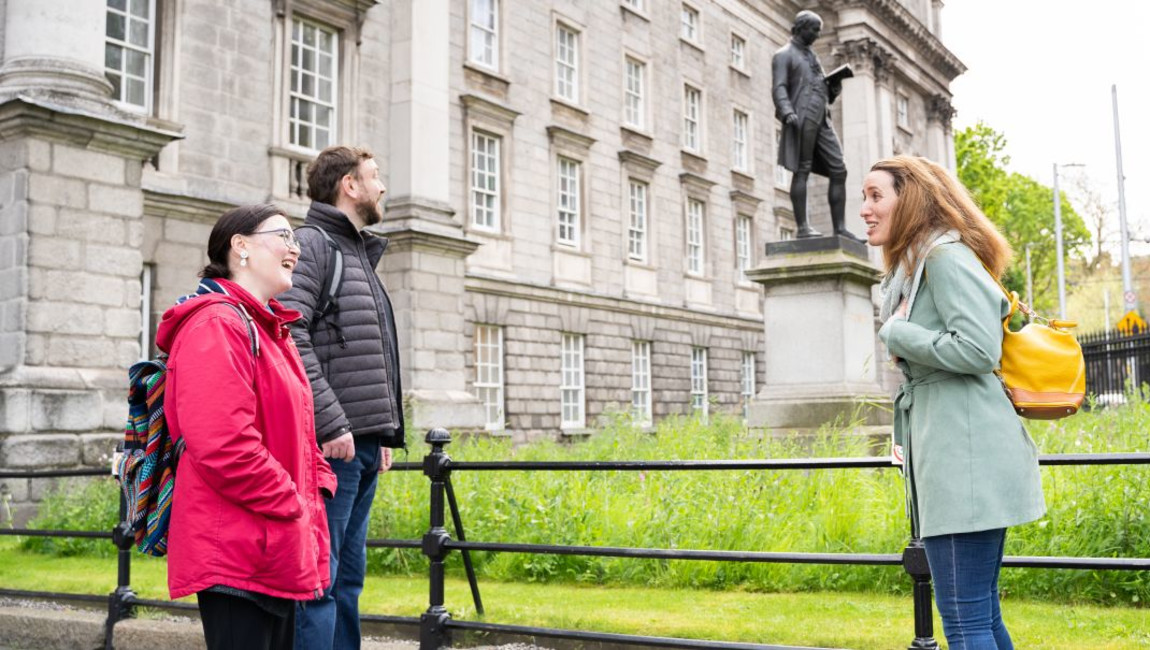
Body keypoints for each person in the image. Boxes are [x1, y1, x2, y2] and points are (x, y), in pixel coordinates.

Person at [863, 156, 1046, 649]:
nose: (865, 208)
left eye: (876, 195)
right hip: (958, 454)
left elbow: (978, 348)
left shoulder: (944, 258)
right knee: (979, 617)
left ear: (912, 199)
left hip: (966, 460)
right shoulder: (921, 266)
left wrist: (900, 332)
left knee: (966, 623)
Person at [157, 204, 337, 650]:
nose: (295, 248)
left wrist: (318, 485)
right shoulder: (218, 323)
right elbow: (223, 445)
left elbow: (300, 429)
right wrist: (294, 500)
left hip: (269, 540)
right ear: (240, 246)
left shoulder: (271, 327)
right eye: (284, 236)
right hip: (236, 547)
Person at [278, 145, 405, 650]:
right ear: (349, 186)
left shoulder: (357, 251)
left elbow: (371, 353)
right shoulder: (313, 245)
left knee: (348, 581)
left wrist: (385, 430)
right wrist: (331, 423)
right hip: (333, 448)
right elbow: (290, 332)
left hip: (363, 443)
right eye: (374, 177)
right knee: (319, 581)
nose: (381, 187)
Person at [772, 10, 854, 240]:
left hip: (822, 119)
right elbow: (779, 87)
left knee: (839, 169)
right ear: (800, 28)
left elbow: (820, 88)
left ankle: (840, 228)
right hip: (802, 117)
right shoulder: (784, 55)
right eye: (814, 30)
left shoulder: (813, 57)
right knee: (802, 170)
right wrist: (787, 112)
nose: (818, 35)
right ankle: (803, 228)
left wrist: (834, 87)